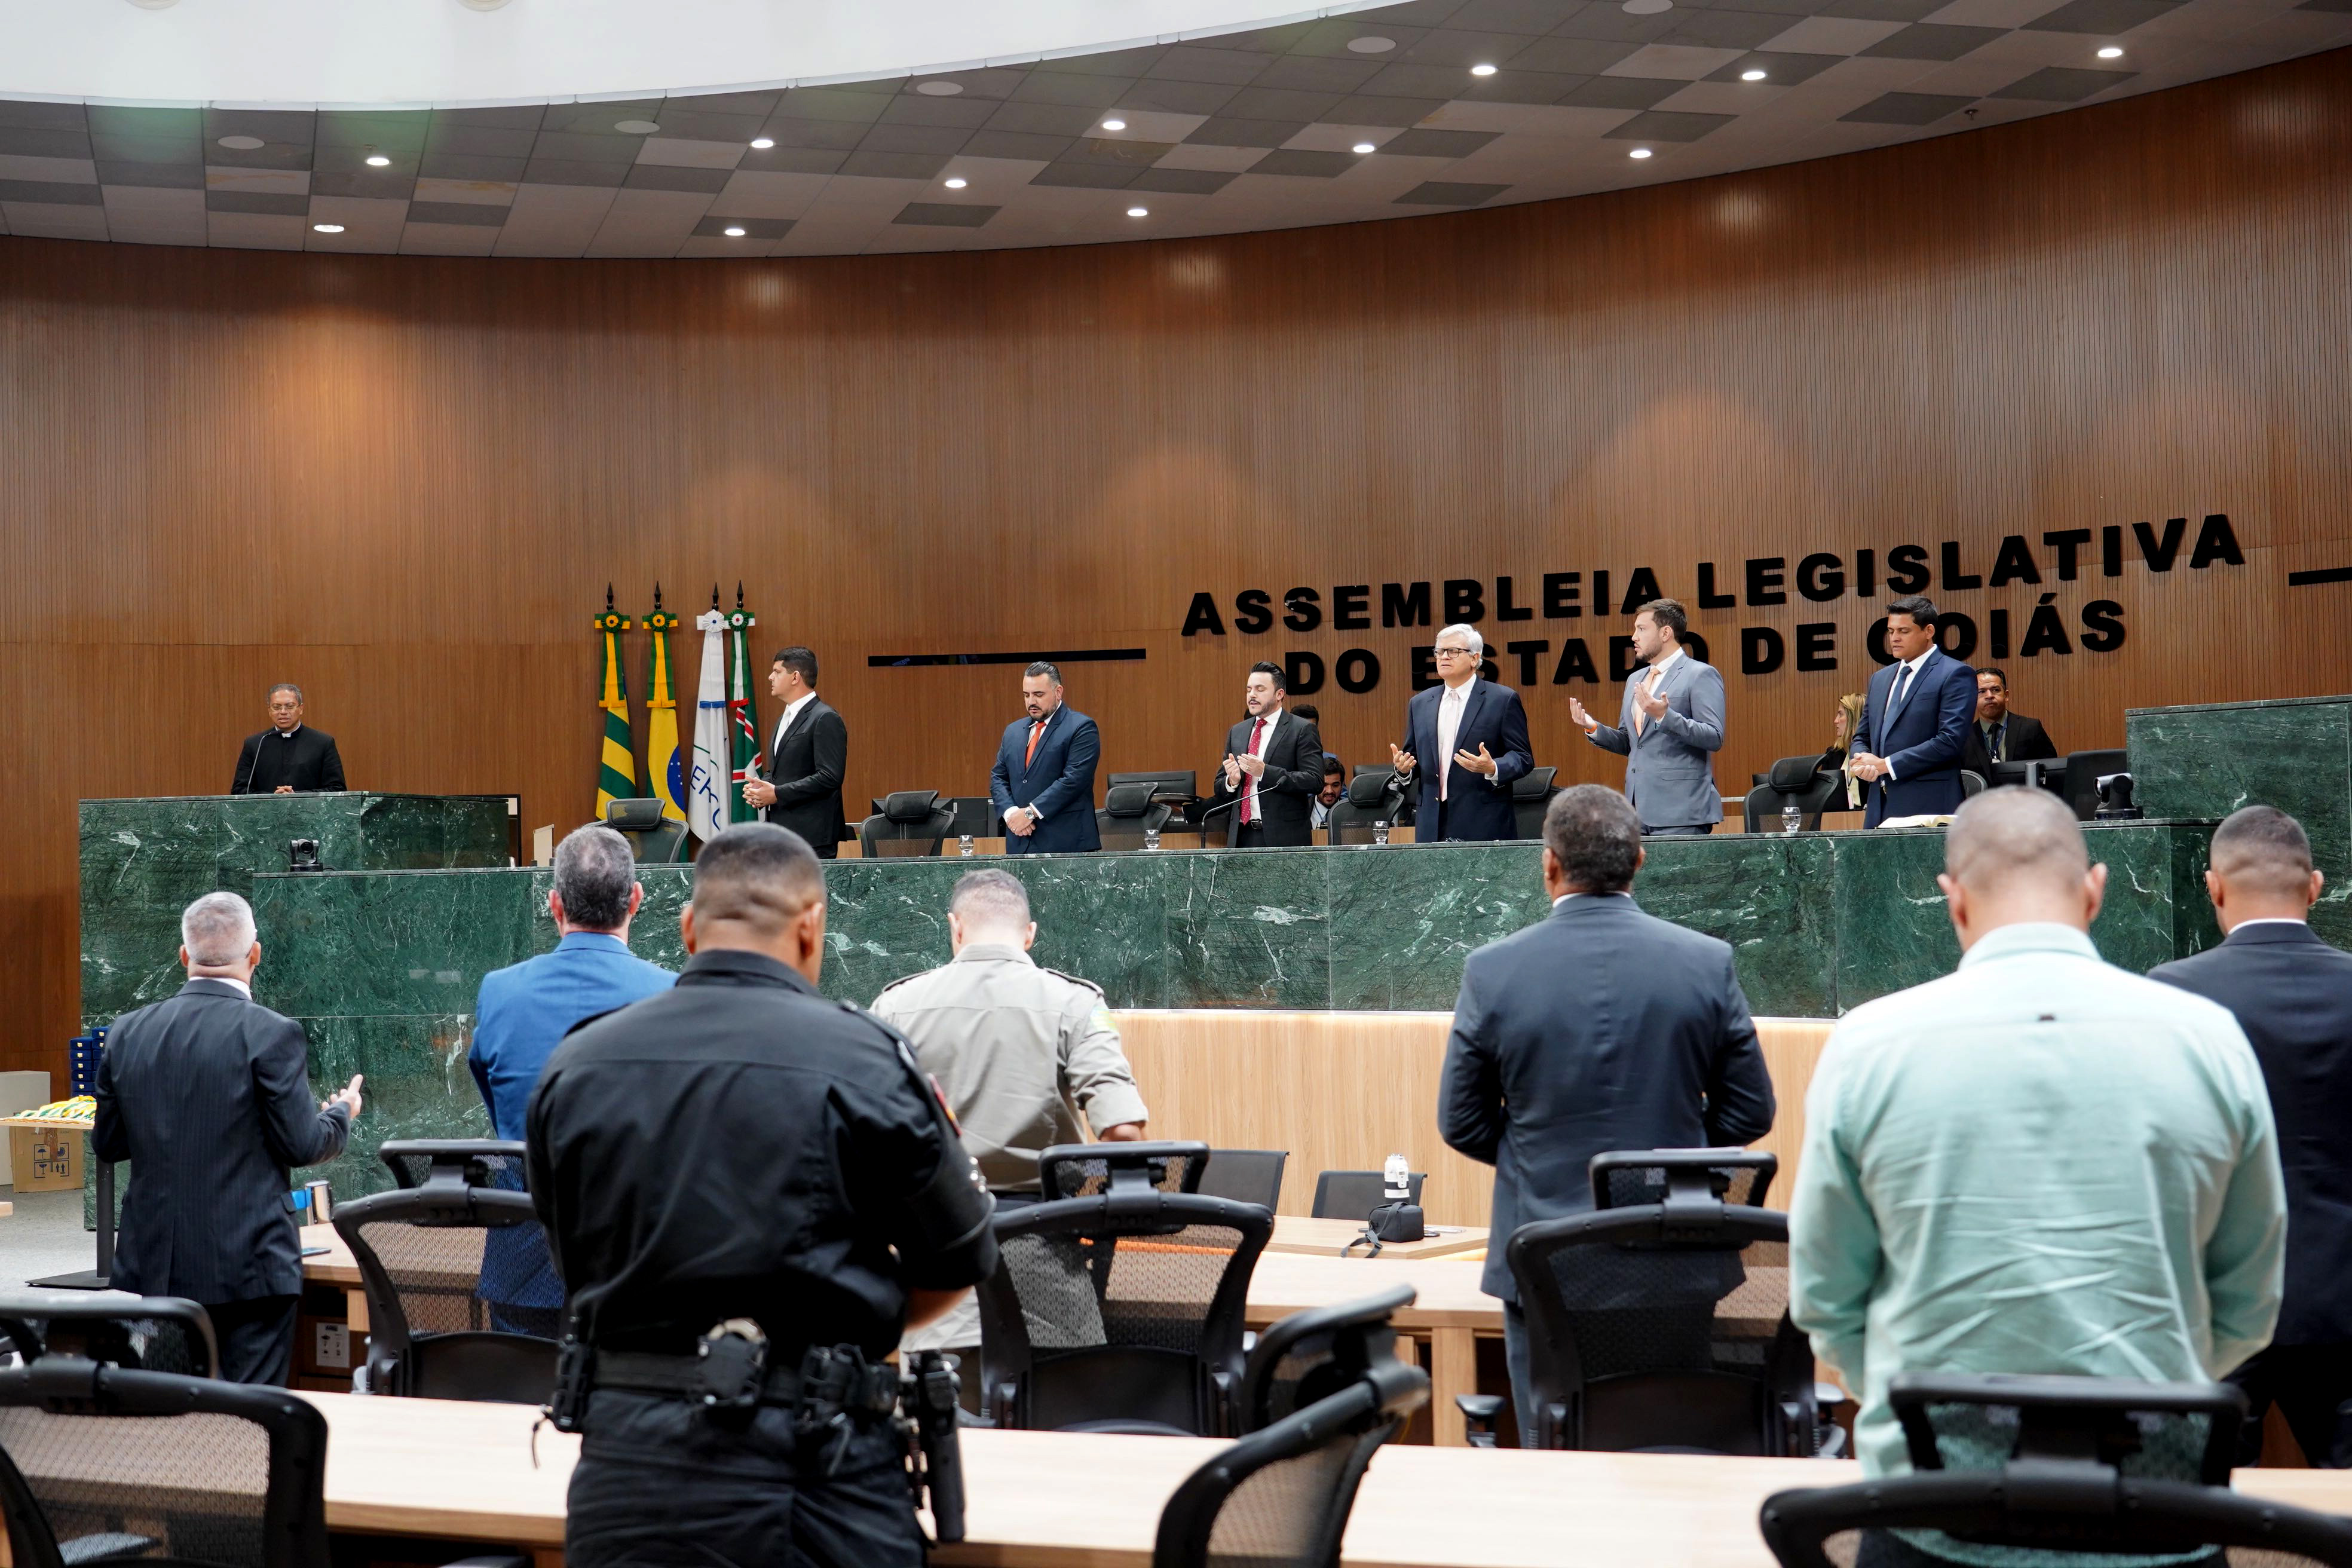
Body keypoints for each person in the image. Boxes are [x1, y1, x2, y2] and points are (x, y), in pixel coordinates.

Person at [1789, 789, 2284, 1507]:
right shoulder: (2210, 1040)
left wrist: (1907, 1391)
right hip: (2155, 1505)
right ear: (2096, 891)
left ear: (1954, 900)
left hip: (1929, 1510)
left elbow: (1826, 1296)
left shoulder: (1865, 1046)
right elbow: (2250, 1300)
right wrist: (2155, 1384)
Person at [527, 823, 996, 1568]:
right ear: (811, 926)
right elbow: (961, 1254)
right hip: (817, 1468)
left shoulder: (577, 1063)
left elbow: (575, 1261)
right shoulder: (868, 1061)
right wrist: (852, 1318)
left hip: (630, 1473)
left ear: (688, 928)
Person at [1440, 784, 1774, 1447]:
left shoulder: (1493, 970)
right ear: (1640, 860)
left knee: (1556, 1451)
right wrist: (1669, 1157)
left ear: (1549, 864)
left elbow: (1463, 1121)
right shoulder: (1705, 961)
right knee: (1671, 1446)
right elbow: (1750, 1108)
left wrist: (1535, 1153)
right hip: (1674, 1257)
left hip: (1544, 1256)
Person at [872, 868, 1148, 1360]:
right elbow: (1124, 1133)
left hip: (938, 1273)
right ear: (1029, 934)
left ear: (956, 927)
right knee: (1055, 1407)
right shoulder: (1076, 1003)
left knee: (949, 1407)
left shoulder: (894, 1007)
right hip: (1045, 1273)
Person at [93, 892, 363, 1384]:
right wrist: (341, 1114)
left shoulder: (127, 1032)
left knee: (171, 1404)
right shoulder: (272, 1033)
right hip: (249, 1264)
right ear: (255, 953)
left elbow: (108, 1146)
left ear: (184, 956)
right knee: (249, 1409)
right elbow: (304, 1146)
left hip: (157, 1263)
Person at [2152, 805, 2352, 1467]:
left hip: (2218, 1303)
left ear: (2213, 886)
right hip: (2344, 1299)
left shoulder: (2171, 996)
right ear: (2315, 886)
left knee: (2203, 1501)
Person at [468, 825, 674, 1335]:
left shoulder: (499, 991)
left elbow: (502, 1115)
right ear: (636, 900)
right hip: (635, 1274)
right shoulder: (675, 996)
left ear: (554, 904)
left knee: (521, 1387)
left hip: (523, 1269)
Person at [1568, 598, 1726, 835]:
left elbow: (1714, 737)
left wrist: (1664, 716)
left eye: (1642, 629)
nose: (1634, 637)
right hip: (1638, 811)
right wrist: (1593, 728)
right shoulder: (1636, 679)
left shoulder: (1700, 674)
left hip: (1682, 811)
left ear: (1665, 633)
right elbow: (1632, 743)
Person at [1390, 624, 1533, 843]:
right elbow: (1413, 758)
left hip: (1482, 822)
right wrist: (1404, 770)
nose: (1444, 657)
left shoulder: (1502, 700)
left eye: (1453, 651)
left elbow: (1523, 757)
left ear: (1475, 659)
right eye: (1439, 651)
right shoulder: (1420, 703)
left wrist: (1493, 767)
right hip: (1431, 823)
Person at [1847, 596, 1976, 827]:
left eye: (1903, 631)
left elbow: (1949, 741)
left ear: (1928, 631)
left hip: (1929, 806)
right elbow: (1862, 736)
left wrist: (1886, 765)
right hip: (1878, 806)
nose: (1894, 638)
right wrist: (1861, 761)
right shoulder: (1879, 679)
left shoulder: (1955, 673)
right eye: (1891, 631)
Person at [741, 645, 849, 858]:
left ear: (795, 677)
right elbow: (782, 770)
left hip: (812, 838)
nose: (770, 677)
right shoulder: (785, 718)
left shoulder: (825, 718)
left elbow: (830, 777)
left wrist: (777, 794)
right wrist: (762, 787)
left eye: (777, 671)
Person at [1206, 662, 1325, 847]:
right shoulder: (1237, 732)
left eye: (1260, 690)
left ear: (1279, 694)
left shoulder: (1301, 729)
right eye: (1249, 690)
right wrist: (1231, 782)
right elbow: (1220, 786)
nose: (1252, 695)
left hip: (1284, 839)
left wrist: (1264, 772)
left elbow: (1314, 780)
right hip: (1241, 837)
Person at [988, 661, 1101, 855]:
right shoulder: (1013, 731)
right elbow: (998, 777)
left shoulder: (1081, 727)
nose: (1031, 702)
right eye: (1027, 695)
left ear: (1058, 692)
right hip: (1020, 841)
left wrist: (1029, 813)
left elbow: (1073, 781)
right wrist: (1011, 814)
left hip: (1067, 845)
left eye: (1039, 695)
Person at [230, 683, 345, 794]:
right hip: (267, 808)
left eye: (290, 707)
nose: (283, 712)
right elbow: (240, 790)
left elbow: (337, 789)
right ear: (269, 711)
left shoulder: (323, 743)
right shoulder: (256, 744)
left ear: (301, 709)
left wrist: (296, 796)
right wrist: (273, 797)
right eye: (277, 707)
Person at [1960, 666, 2057, 779]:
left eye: (1995, 690)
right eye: (1982, 691)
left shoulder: (2030, 728)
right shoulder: (1964, 737)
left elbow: (2052, 771)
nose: (1989, 696)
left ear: (2006, 696)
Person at [1820, 693, 1866, 811]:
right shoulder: (1832, 754)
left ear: (1854, 718)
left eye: (1841, 715)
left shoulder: (1873, 753)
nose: (1836, 721)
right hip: (1839, 818)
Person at [1311, 758, 1346, 831]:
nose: (1329, 791)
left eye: (1335, 785)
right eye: (1324, 785)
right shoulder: (1301, 811)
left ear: (1342, 785)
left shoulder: (1351, 812)